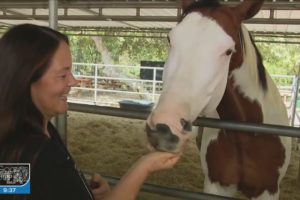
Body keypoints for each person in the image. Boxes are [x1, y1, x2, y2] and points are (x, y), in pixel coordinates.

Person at [0, 24, 180, 200]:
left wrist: (78, 191)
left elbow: (17, 190)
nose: (73, 81)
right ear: (26, 79)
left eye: (71, 71)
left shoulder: (27, 138)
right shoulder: (41, 155)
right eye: (63, 75)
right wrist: (145, 166)